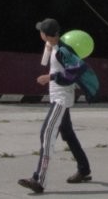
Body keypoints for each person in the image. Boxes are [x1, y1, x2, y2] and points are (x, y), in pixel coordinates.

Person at [18, 18, 92, 194]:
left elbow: (74, 72)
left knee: (47, 134)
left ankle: (39, 180)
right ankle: (84, 169)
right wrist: (49, 46)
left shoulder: (62, 51)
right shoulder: (55, 47)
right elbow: (45, 63)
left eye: (41, 32)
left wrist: (50, 77)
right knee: (68, 135)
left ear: (44, 34)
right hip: (58, 98)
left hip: (61, 100)